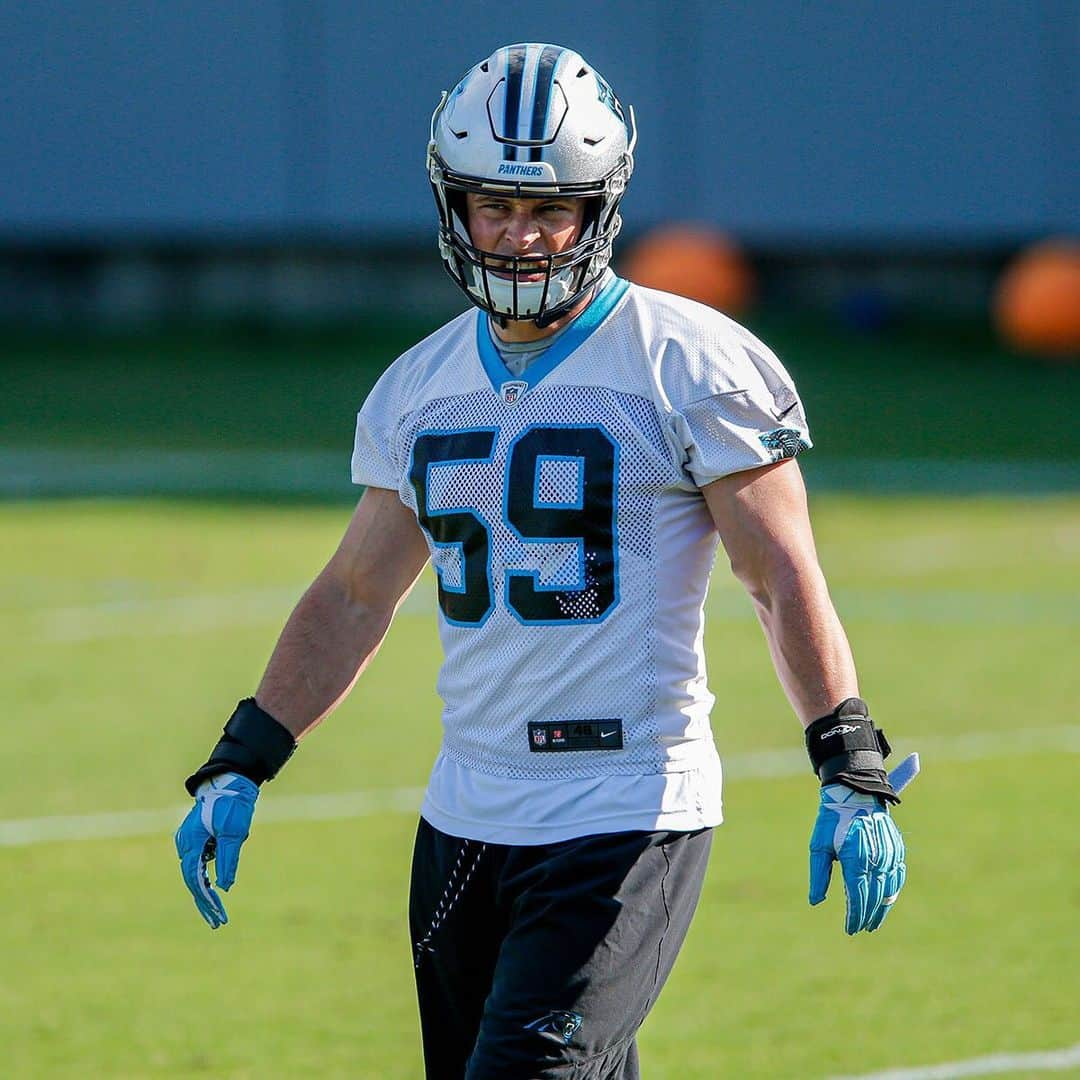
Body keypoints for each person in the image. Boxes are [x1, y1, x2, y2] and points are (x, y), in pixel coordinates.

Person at [175, 42, 911, 1079]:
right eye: (493, 208)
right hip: (467, 814)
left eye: (549, 211)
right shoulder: (418, 386)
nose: (519, 237)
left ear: (598, 209)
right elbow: (354, 593)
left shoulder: (690, 364)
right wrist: (244, 757)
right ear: (452, 205)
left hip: (625, 808)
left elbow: (777, 574)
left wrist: (850, 761)